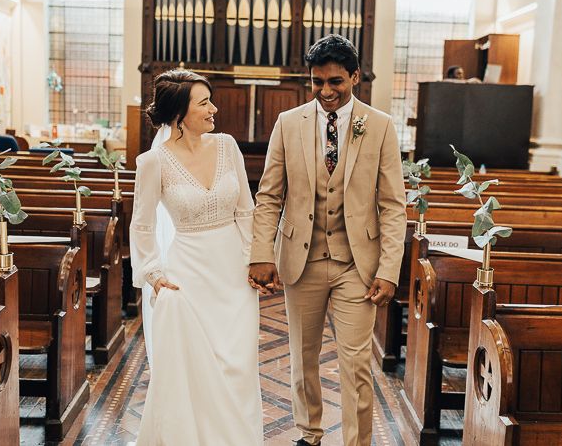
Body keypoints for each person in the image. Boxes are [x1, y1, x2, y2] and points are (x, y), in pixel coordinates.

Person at [248, 34, 407, 446]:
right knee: (302, 357)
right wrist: (260, 254)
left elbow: (392, 206)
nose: (326, 92)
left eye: (336, 81)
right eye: (317, 82)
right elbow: (268, 196)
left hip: (359, 264)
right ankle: (309, 433)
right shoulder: (288, 123)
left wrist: (389, 271)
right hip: (303, 261)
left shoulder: (380, 126)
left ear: (355, 77)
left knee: (355, 364)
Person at [130, 69, 263, 445]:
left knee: (237, 365)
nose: (213, 108)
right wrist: (154, 275)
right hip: (187, 274)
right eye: (204, 102)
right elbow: (141, 226)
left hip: (233, 274)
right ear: (179, 113)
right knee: (194, 368)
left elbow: (245, 211)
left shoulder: (227, 147)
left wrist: (255, 260)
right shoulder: (153, 162)